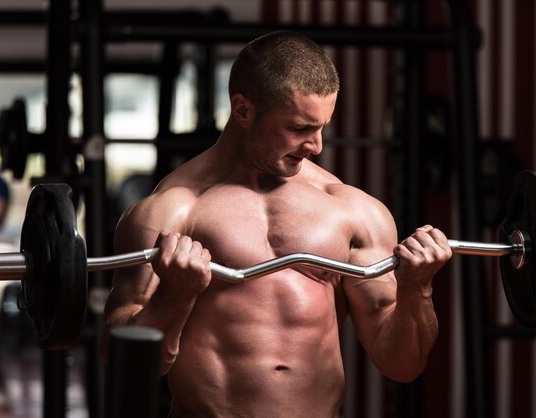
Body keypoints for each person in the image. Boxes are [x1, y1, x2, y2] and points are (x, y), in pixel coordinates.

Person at [100, 31, 452, 418]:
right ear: (244, 110)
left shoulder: (352, 211)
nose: (316, 146)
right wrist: (174, 296)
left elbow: (402, 364)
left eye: (322, 127)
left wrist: (417, 289)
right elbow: (119, 359)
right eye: (300, 128)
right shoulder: (170, 213)